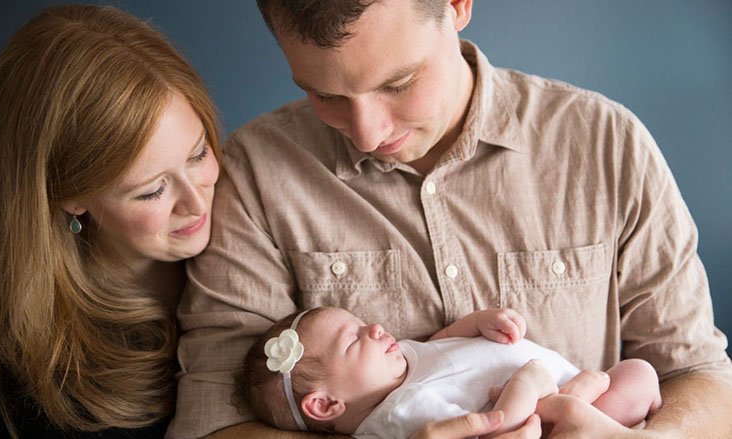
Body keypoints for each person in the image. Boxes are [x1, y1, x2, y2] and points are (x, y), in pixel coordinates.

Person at [168, 0, 732, 438]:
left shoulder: (607, 144)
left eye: (398, 83)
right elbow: (213, 424)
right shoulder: (254, 175)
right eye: (324, 95)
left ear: (457, 5)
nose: (368, 133)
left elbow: (697, 375)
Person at [0, 4, 221, 438]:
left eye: (198, 154)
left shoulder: (260, 219)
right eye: (152, 190)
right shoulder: (40, 387)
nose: (196, 202)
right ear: (70, 196)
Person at [241, 307, 661, 438]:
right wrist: (527, 383)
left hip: (565, 385)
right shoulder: (398, 414)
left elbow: (437, 349)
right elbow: (498, 427)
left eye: (360, 322)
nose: (374, 328)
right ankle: (590, 403)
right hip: (547, 416)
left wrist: (472, 325)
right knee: (636, 377)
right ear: (326, 403)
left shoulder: (395, 365)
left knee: (637, 371)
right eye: (353, 340)